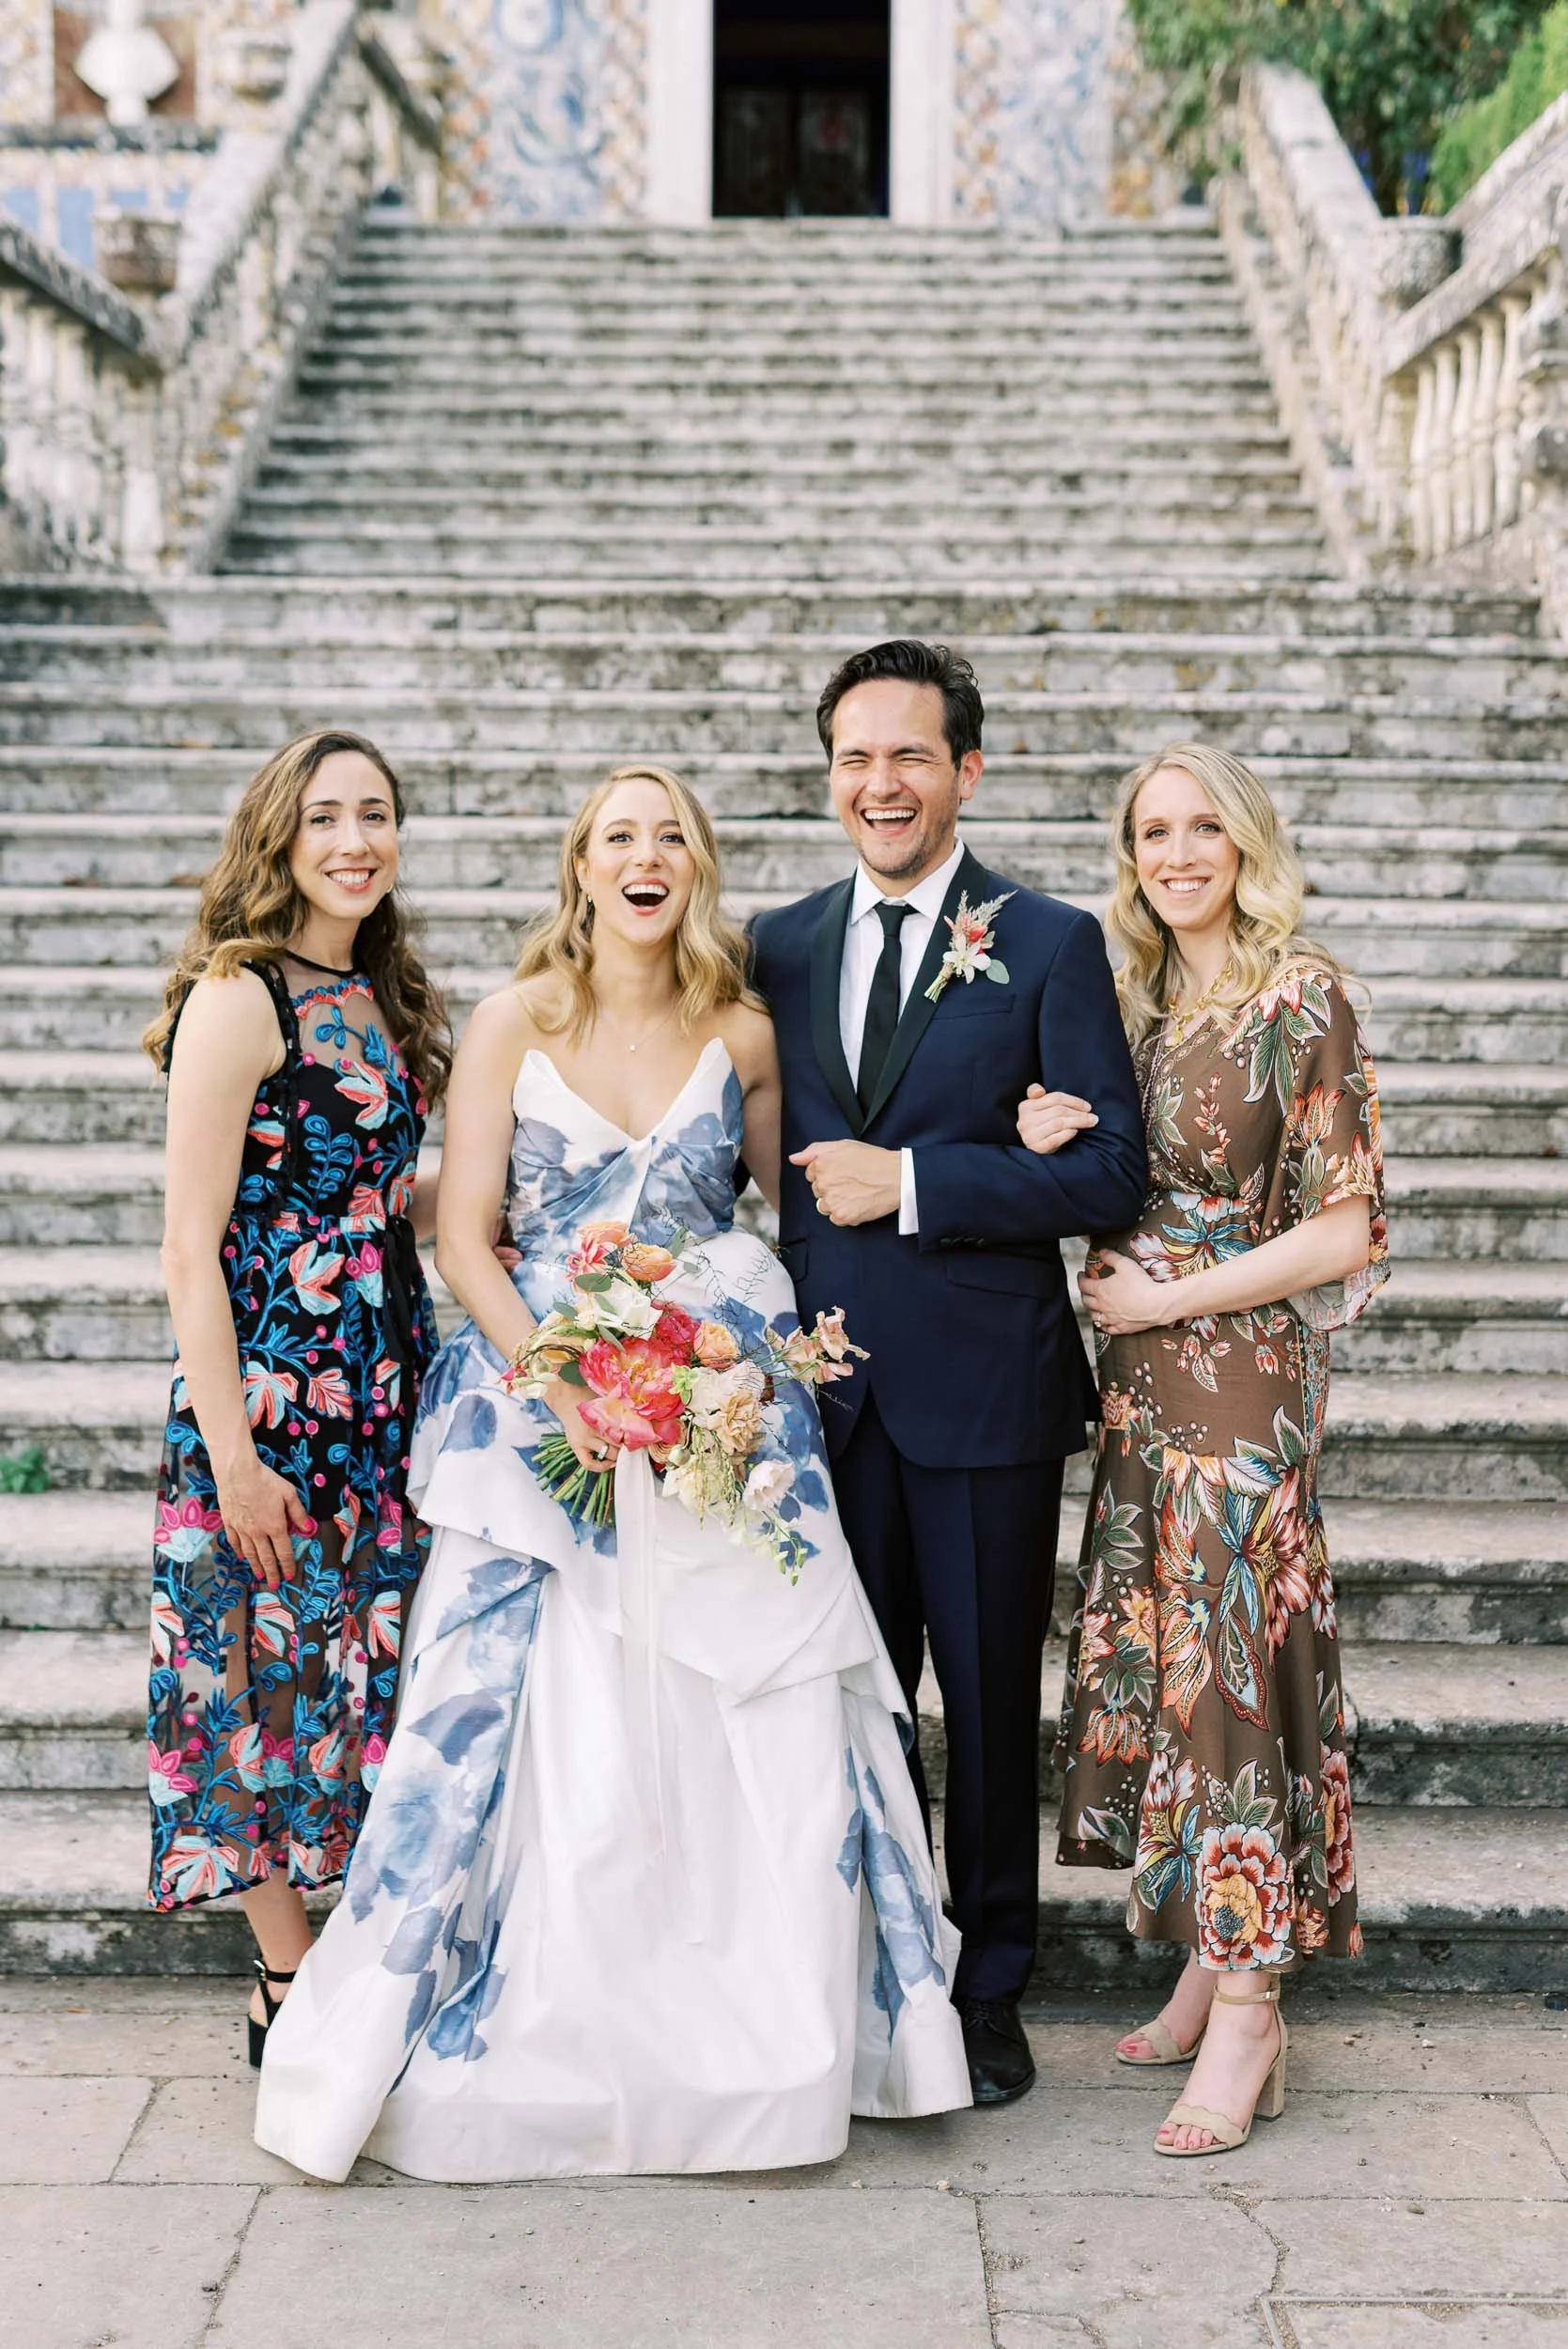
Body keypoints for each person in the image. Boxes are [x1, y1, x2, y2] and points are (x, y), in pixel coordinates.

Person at [254, 763, 971, 2184]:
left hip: (719, 1404)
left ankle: (762, 2025)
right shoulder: (514, 1022)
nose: (646, 857)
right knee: (534, 1720)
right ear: (580, 866)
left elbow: (801, 1205)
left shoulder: (748, 1031)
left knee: (754, 1707)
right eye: (618, 837)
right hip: (541, 1399)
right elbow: (463, 1239)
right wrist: (564, 1379)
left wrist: (753, 1365)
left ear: (697, 867)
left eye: (671, 837)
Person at [749, 642, 1148, 2105]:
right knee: (843, 1698)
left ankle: (986, 1989)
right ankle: (863, 1960)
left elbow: (1112, 1168)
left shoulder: (1044, 942)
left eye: (909, 755)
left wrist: (917, 1181)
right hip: (820, 1397)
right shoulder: (779, 944)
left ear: (966, 771)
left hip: (985, 1395)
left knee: (983, 1705)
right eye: (856, 758)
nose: (881, 784)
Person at [1037, 741, 1389, 2158]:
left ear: (1245, 839)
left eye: (1200, 828)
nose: (1175, 854)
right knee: (1172, 1657)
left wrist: (1170, 1295)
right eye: (1150, 832)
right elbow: (1126, 1172)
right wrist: (1057, 1132)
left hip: (1239, 1380)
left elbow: (1344, 1224)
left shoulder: (1301, 993)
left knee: (1236, 1668)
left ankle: (1251, 2005)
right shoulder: (1139, 999)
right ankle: (1203, 1952)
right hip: (1140, 1387)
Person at [143, 728, 450, 2064]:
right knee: (250, 1683)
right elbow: (188, 1243)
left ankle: (349, 1963)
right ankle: (288, 1977)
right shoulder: (240, 997)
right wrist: (232, 1457)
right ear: (278, 837)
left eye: (374, 814)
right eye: (324, 817)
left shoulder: (382, 992)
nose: (353, 840)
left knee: (357, 1677)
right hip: (268, 1400)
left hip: (379, 1396)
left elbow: (382, 1197)